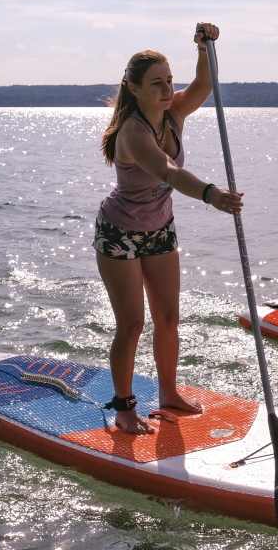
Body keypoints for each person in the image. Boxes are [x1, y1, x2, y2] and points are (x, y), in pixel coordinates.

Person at [94, 23, 243, 433]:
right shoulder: (132, 132)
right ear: (135, 89)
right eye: (156, 83)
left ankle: (168, 394)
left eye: (168, 82)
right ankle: (124, 407)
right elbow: (168, 171)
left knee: (168, 317)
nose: (166, 90)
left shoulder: (173, 113)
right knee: (132, 324)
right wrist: (211, 194)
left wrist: (203, 47)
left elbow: (203, 84)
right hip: (119, 233)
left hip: (160, 228)